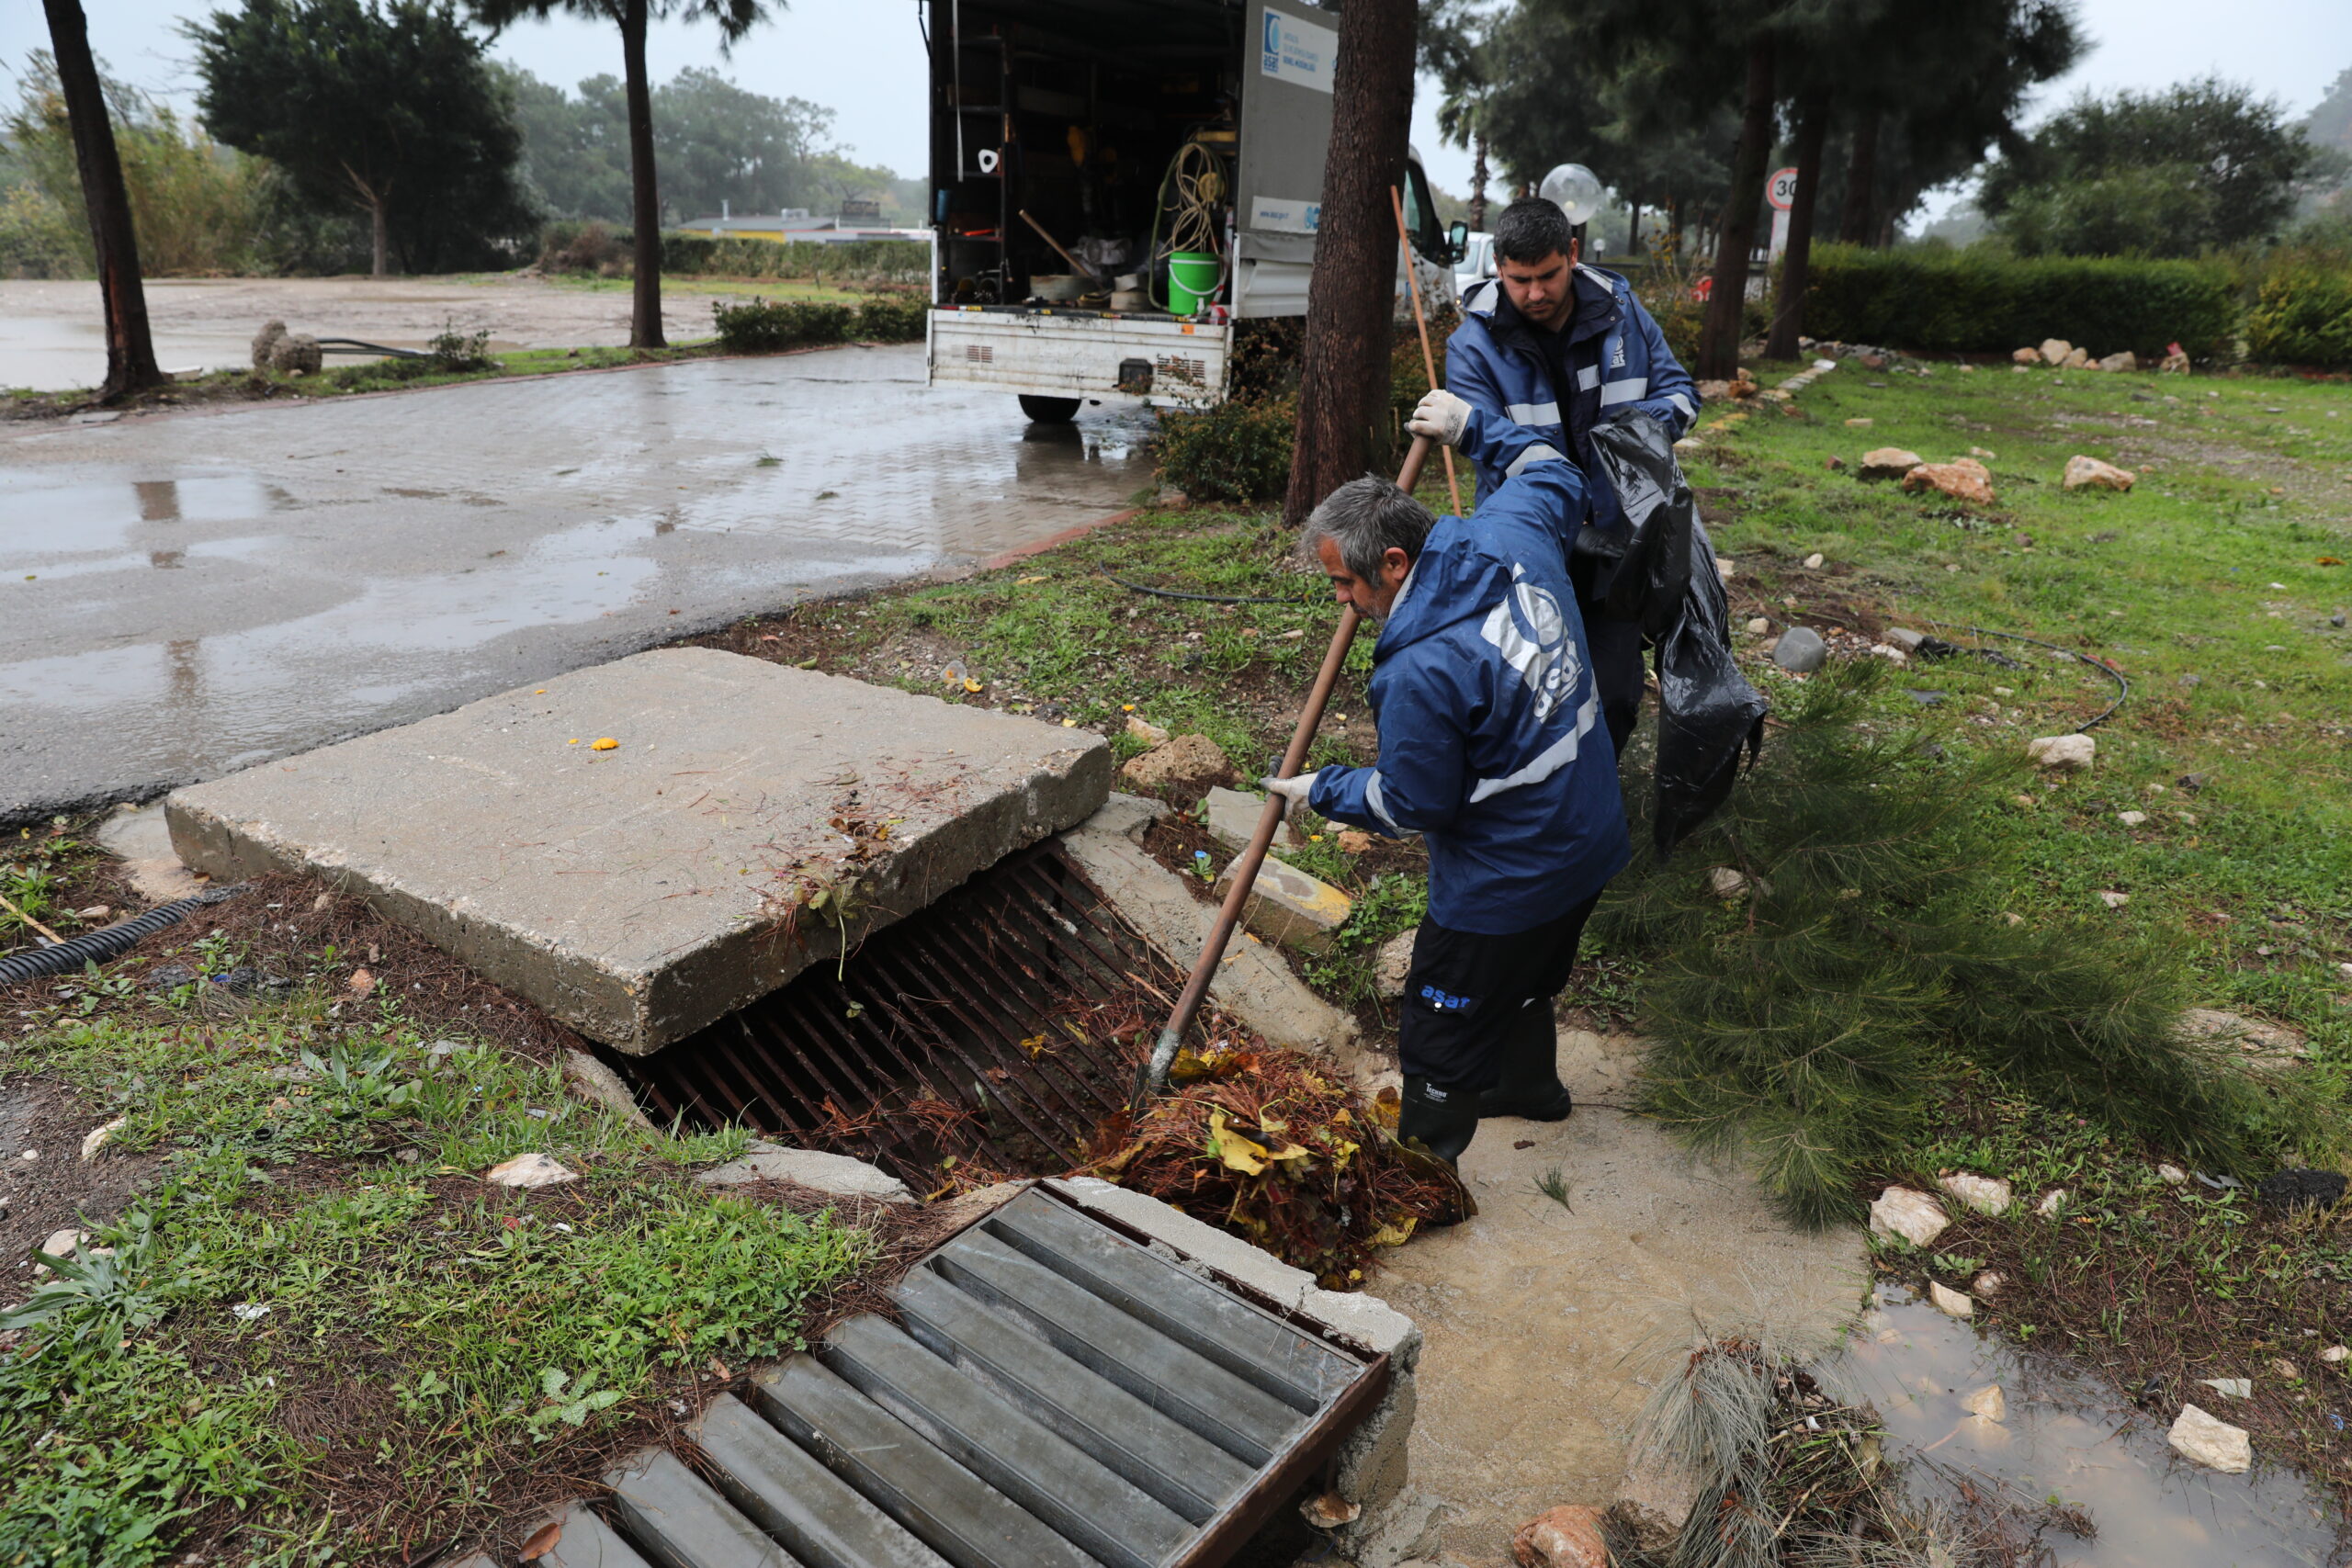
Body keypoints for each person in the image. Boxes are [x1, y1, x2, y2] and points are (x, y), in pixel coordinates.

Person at [1261, 401, 1630, 1167]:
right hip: (1589, 837)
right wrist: (1476, 427)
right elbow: (1552, 468)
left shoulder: (1421, 669)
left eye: (1344, 583)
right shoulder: (1511, 530)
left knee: (1440, 1019)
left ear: (1393, 563)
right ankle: (1528, 1088)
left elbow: (1411, 802)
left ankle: (1426, 1176)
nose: (1342, 602)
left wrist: (1322, 788)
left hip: (1507, 878)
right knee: (1528, 978)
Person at [1445, 197, 1701, 753]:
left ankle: (1597, 805)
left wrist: (1633, 433)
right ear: (1498, 269)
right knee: (1529, 690)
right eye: (1519, 280)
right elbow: (1493, 452)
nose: (1535, 293)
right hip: (1528, 550)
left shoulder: (1623, 313)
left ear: (1573, 255)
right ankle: (1534, 804)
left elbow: (1682, 394)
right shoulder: (1472, 346)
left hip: (1620, 548)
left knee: (1612, 694)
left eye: (1548, 276)